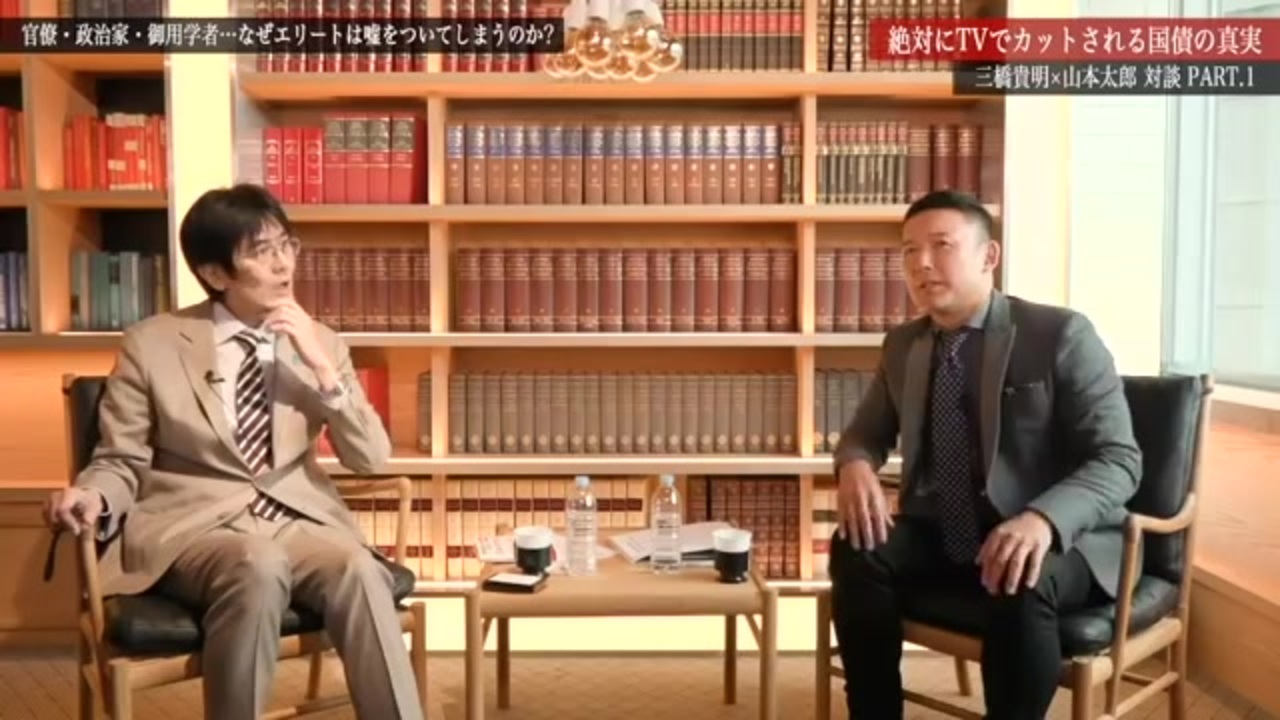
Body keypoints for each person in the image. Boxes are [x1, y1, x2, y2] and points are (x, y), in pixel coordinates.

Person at [43, 184, 423, 720]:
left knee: (361, 569)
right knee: (257, 562)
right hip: (194, 529)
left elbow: (371, 459)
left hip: (296, 522)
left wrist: (321, 369)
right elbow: (120, 459)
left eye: (286, 244)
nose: (282, 264)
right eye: (261, 252)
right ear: (216, 273)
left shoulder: (322, 342)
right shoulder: (153, 343)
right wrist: (92, 496)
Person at [829, 189, 1142, 719]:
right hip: (946, 534)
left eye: (941, 245)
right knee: (856, 547)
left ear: (988, 255)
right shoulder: (903, 345)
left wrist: (1042, 520)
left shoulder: (1059, 334)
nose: (922, 263)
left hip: (1064, 541)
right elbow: (865, 433)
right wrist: (855, 464)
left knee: (1018, 571)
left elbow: (1118, 459)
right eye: (909, 251)